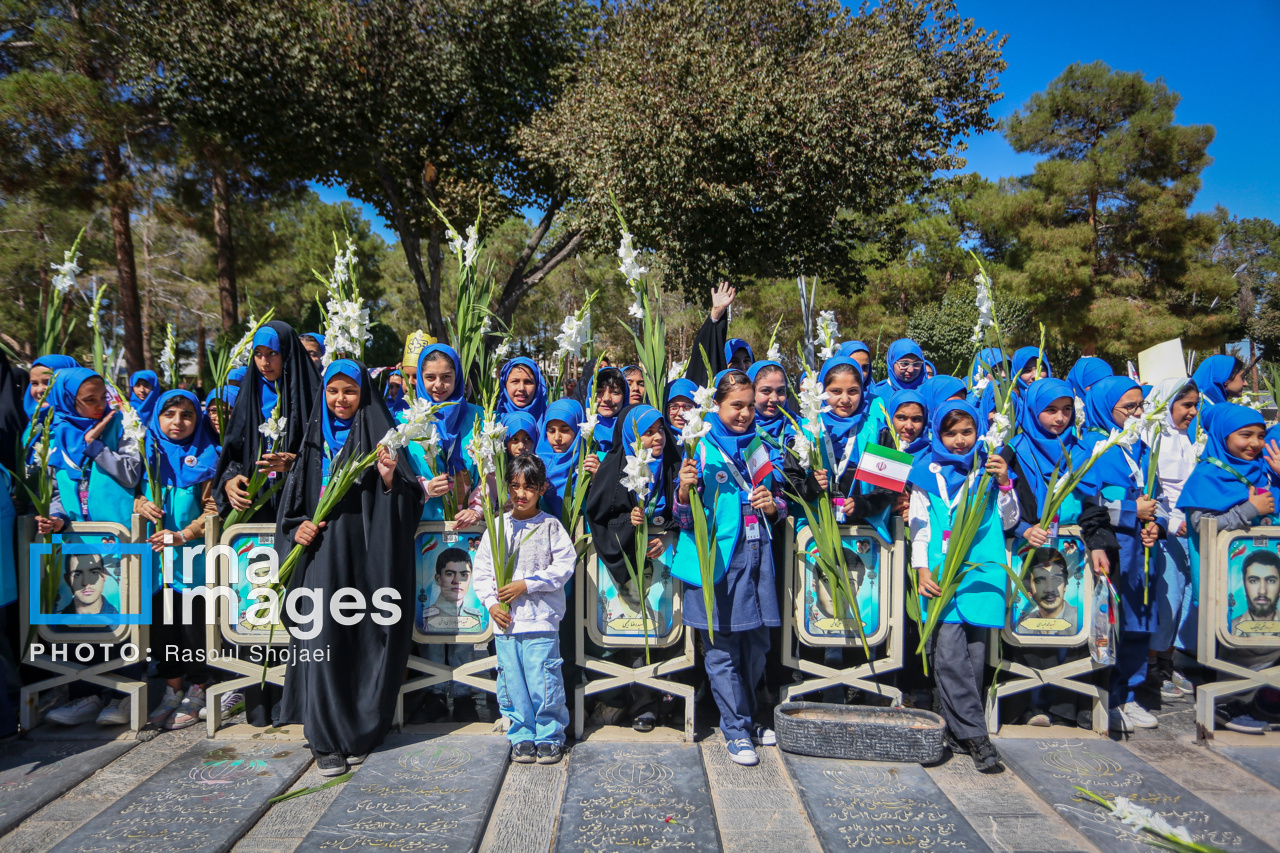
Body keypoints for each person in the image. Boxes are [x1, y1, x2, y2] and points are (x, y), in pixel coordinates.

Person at [274, 359, 423, 776]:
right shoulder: (313, 444)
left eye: (350, 392)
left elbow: (409, 500)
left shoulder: (382, 440)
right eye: (333, 391)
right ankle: (323, 740)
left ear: (364, 396)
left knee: (361, 641)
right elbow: (291, 509)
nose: (341, 400)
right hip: (321, 560)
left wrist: (390, 477)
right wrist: (296, 529)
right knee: (321, 643)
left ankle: (359, 731)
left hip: (366, 559)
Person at [672, 370, 787, 767]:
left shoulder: (758, 446)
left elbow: (781, 504)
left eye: (749, 405)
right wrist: (684, 490)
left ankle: (748, 717)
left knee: (756, 647)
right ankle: (734, 728)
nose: (744, 413)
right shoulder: (698, 449)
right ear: (716, 406)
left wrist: (772, 506)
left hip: (757, 562)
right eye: (735, 405)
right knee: (722, 651)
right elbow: (683, 519)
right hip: (719, 562)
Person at [211, 321, 320, 725]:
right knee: (257, 603)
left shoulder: (311, 396)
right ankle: (258, 697)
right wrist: (232, 482)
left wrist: (295, 463)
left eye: (272, 353)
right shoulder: (251, 395)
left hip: (295, 519)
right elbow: (234, 452)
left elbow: (324, 452)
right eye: (258, 354)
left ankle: (302, 699)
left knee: (296, 606)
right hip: (254, 520)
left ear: (287, 355)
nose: (265, 362)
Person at [908, 400, 1019, 771]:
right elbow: (920, 529)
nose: (959, 440)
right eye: (950, 433)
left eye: (967, 432)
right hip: (941, 575)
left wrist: (1004, 484)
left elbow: (1008, 520)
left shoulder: (988, 470)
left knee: (972, 657)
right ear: (936, 434)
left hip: (979, 575)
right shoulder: (925, 472)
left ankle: (953, 731)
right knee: (950, 654)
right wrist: (921, 570)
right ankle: (977, 737)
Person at [1178, 403, 1280, 733]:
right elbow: (1204, 525)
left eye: (1260, 436)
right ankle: (1230, 704)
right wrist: (1248, 509)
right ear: (1223, 436)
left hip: (1264, 581)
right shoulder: (1208, 475)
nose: (1254, 443)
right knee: (1237, 641)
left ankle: (1261, 703)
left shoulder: (1262, 472)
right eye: (1244, 435)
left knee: (1264, 640)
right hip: (1227, 582)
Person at [582, 404, 682, 732]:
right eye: (647, 432)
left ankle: (650, 703)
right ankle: (614, 700)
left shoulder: (672, 464)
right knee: (624, 631)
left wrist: (667, 534)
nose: (656, 438)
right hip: (621, 569)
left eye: (659, 430)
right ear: (631, 435)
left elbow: (686, 509)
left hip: (662, 566)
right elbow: (598, 517)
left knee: (657, 632)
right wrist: (628, 522)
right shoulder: (615, 467)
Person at [472, 454, 576, 765]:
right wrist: (491, 604)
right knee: (512, 683)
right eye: (514, 486)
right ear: (506, 488)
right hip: (506, 624)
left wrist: (526, 584)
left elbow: (564, 566)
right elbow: (482, 571)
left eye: (529, 487)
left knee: (545, 681)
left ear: (542, 489)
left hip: (541, 622)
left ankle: (549, 735)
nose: (521, 494)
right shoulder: (497, 527)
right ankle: (520, 735)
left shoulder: (550, 527)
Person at [1076, 376, 1166, 733]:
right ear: (1104, 407)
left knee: (1139, 619)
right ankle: (1107, 696)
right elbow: (1090, 503)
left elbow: (1153, 496)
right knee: (1110, 624)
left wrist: (1153, 523)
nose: (1138, 413)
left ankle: (1130, 693)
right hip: (1112, 551)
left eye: (1140, 405)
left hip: (1141, 549)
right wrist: (1132, 510)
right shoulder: (1093, 447)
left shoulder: (1140, 445)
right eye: (1129, 407)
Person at [137, 389, 221, 729]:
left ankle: (198, 686)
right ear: (157, 418)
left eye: (186, 415)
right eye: (169, 415)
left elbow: (214, 508)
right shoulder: (147, 455)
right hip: (157, 564)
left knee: (193, 628)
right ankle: (172, 689)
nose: (178, 422)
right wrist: (139, 504)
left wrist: (184, 534)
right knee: (161, 628)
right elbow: (132, 494)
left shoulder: (210, 455)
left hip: (194, 563)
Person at [1145, 379, 1200, 699]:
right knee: (1167, 601)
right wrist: (1173, 520)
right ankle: (1153, 667)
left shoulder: (1184, 438)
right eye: (1186, 405)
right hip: (1166, 533)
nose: (1192, 412)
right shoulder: (1156, 439)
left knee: (1182, 600)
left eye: (1195, 405)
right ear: (1167, 405)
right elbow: (1155, 489)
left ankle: (1168, 661)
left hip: (1186, 532)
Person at [538, 399, 586, 521]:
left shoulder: (588, 463)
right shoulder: (536, 465)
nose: (557, 438)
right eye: (551, 431)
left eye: (565, 430)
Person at [1012, 549, 1079, 636]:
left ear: (1065, 585)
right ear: (1029, 591)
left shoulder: (1081, 619)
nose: (1050, 589)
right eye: (1039, 581)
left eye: (1056, 579)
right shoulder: (1023, 627)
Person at [420, 548, 483, 632]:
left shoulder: (476, 618)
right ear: (438, 579)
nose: (457, 581)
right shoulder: (424, 618)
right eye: (450, 574)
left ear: (470, 579)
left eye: (464, 575)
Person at [1232, 551, 1280, 637]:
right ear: (1244, 584)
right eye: (1253, 581)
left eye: (1271, 581)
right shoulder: (1230, 629)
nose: (1262, 591)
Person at [498, 357, 549, 423]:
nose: (521, 388)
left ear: (537, 386)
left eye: (528, 382)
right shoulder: (491, 423)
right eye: (515, 381)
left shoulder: (551, 424)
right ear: (505, 385)